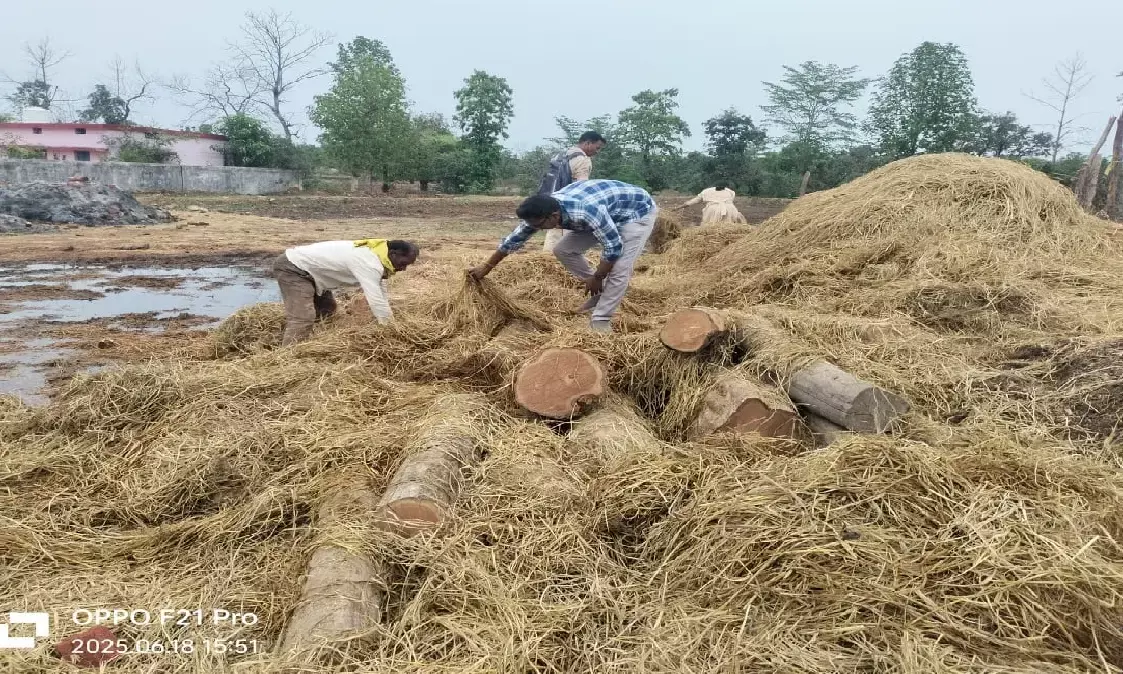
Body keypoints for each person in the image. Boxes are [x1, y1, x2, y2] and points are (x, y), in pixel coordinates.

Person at [469, 179, 657, 334]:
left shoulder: (586, 211)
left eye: (539, 225)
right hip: (605, 211)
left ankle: (601, 321)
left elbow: (613, 247)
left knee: (619, 268)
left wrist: (597, 276)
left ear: (553, 216)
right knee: (563, 250)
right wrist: (487, 267)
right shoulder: (539, 214)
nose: (537, 229)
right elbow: (514, 239)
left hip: (635, 212)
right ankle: (602, 292)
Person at [272, 238, 419, 346]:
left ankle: (313, 343)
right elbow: (376, 300)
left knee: (327, 310)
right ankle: (287, 357)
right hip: (294, 268)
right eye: (404, 263)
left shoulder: (378, 255)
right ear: (393, 254)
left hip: (315, 272)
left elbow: (381, 291)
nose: (404, 269)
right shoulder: (368, 261)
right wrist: (391, 330)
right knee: (303, 317)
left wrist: (389, 321)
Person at [540, 131, 607, 253]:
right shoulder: (583, 160)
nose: (597, 152)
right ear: (588, 143)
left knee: (553, 233)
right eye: (597, 148)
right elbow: (581, 187)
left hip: (550, 201)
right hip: (568, 206)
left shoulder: (561, 155)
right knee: (568, 239)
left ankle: (548, 260)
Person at [675, 181, 747, 225]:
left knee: (712, 226)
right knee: (730, 225)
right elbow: (731, 200)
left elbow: (694, 201)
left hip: (713, 210)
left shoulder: (706, 191)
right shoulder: (729, 191)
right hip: (730, 209)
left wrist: (678, 207)